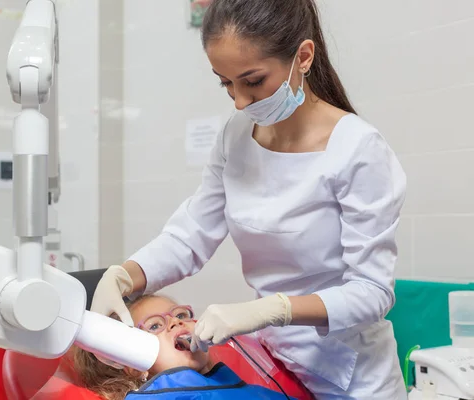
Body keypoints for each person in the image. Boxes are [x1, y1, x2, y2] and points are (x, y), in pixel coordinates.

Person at [91, 0, 407, 398]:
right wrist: (123, 275)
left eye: (253, 81)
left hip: (353, 377)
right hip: (275, 365)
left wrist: (271, 309)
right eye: (226, 84)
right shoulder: (236, 137)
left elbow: (372, 292)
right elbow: (190, 236)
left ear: (303, 57)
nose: (240, 102)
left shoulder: (358, 150)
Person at [61, 294, 312, 400]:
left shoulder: (240, 385)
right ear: (128, 361)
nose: (175, 322)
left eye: (181, 314)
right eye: (155, 325)